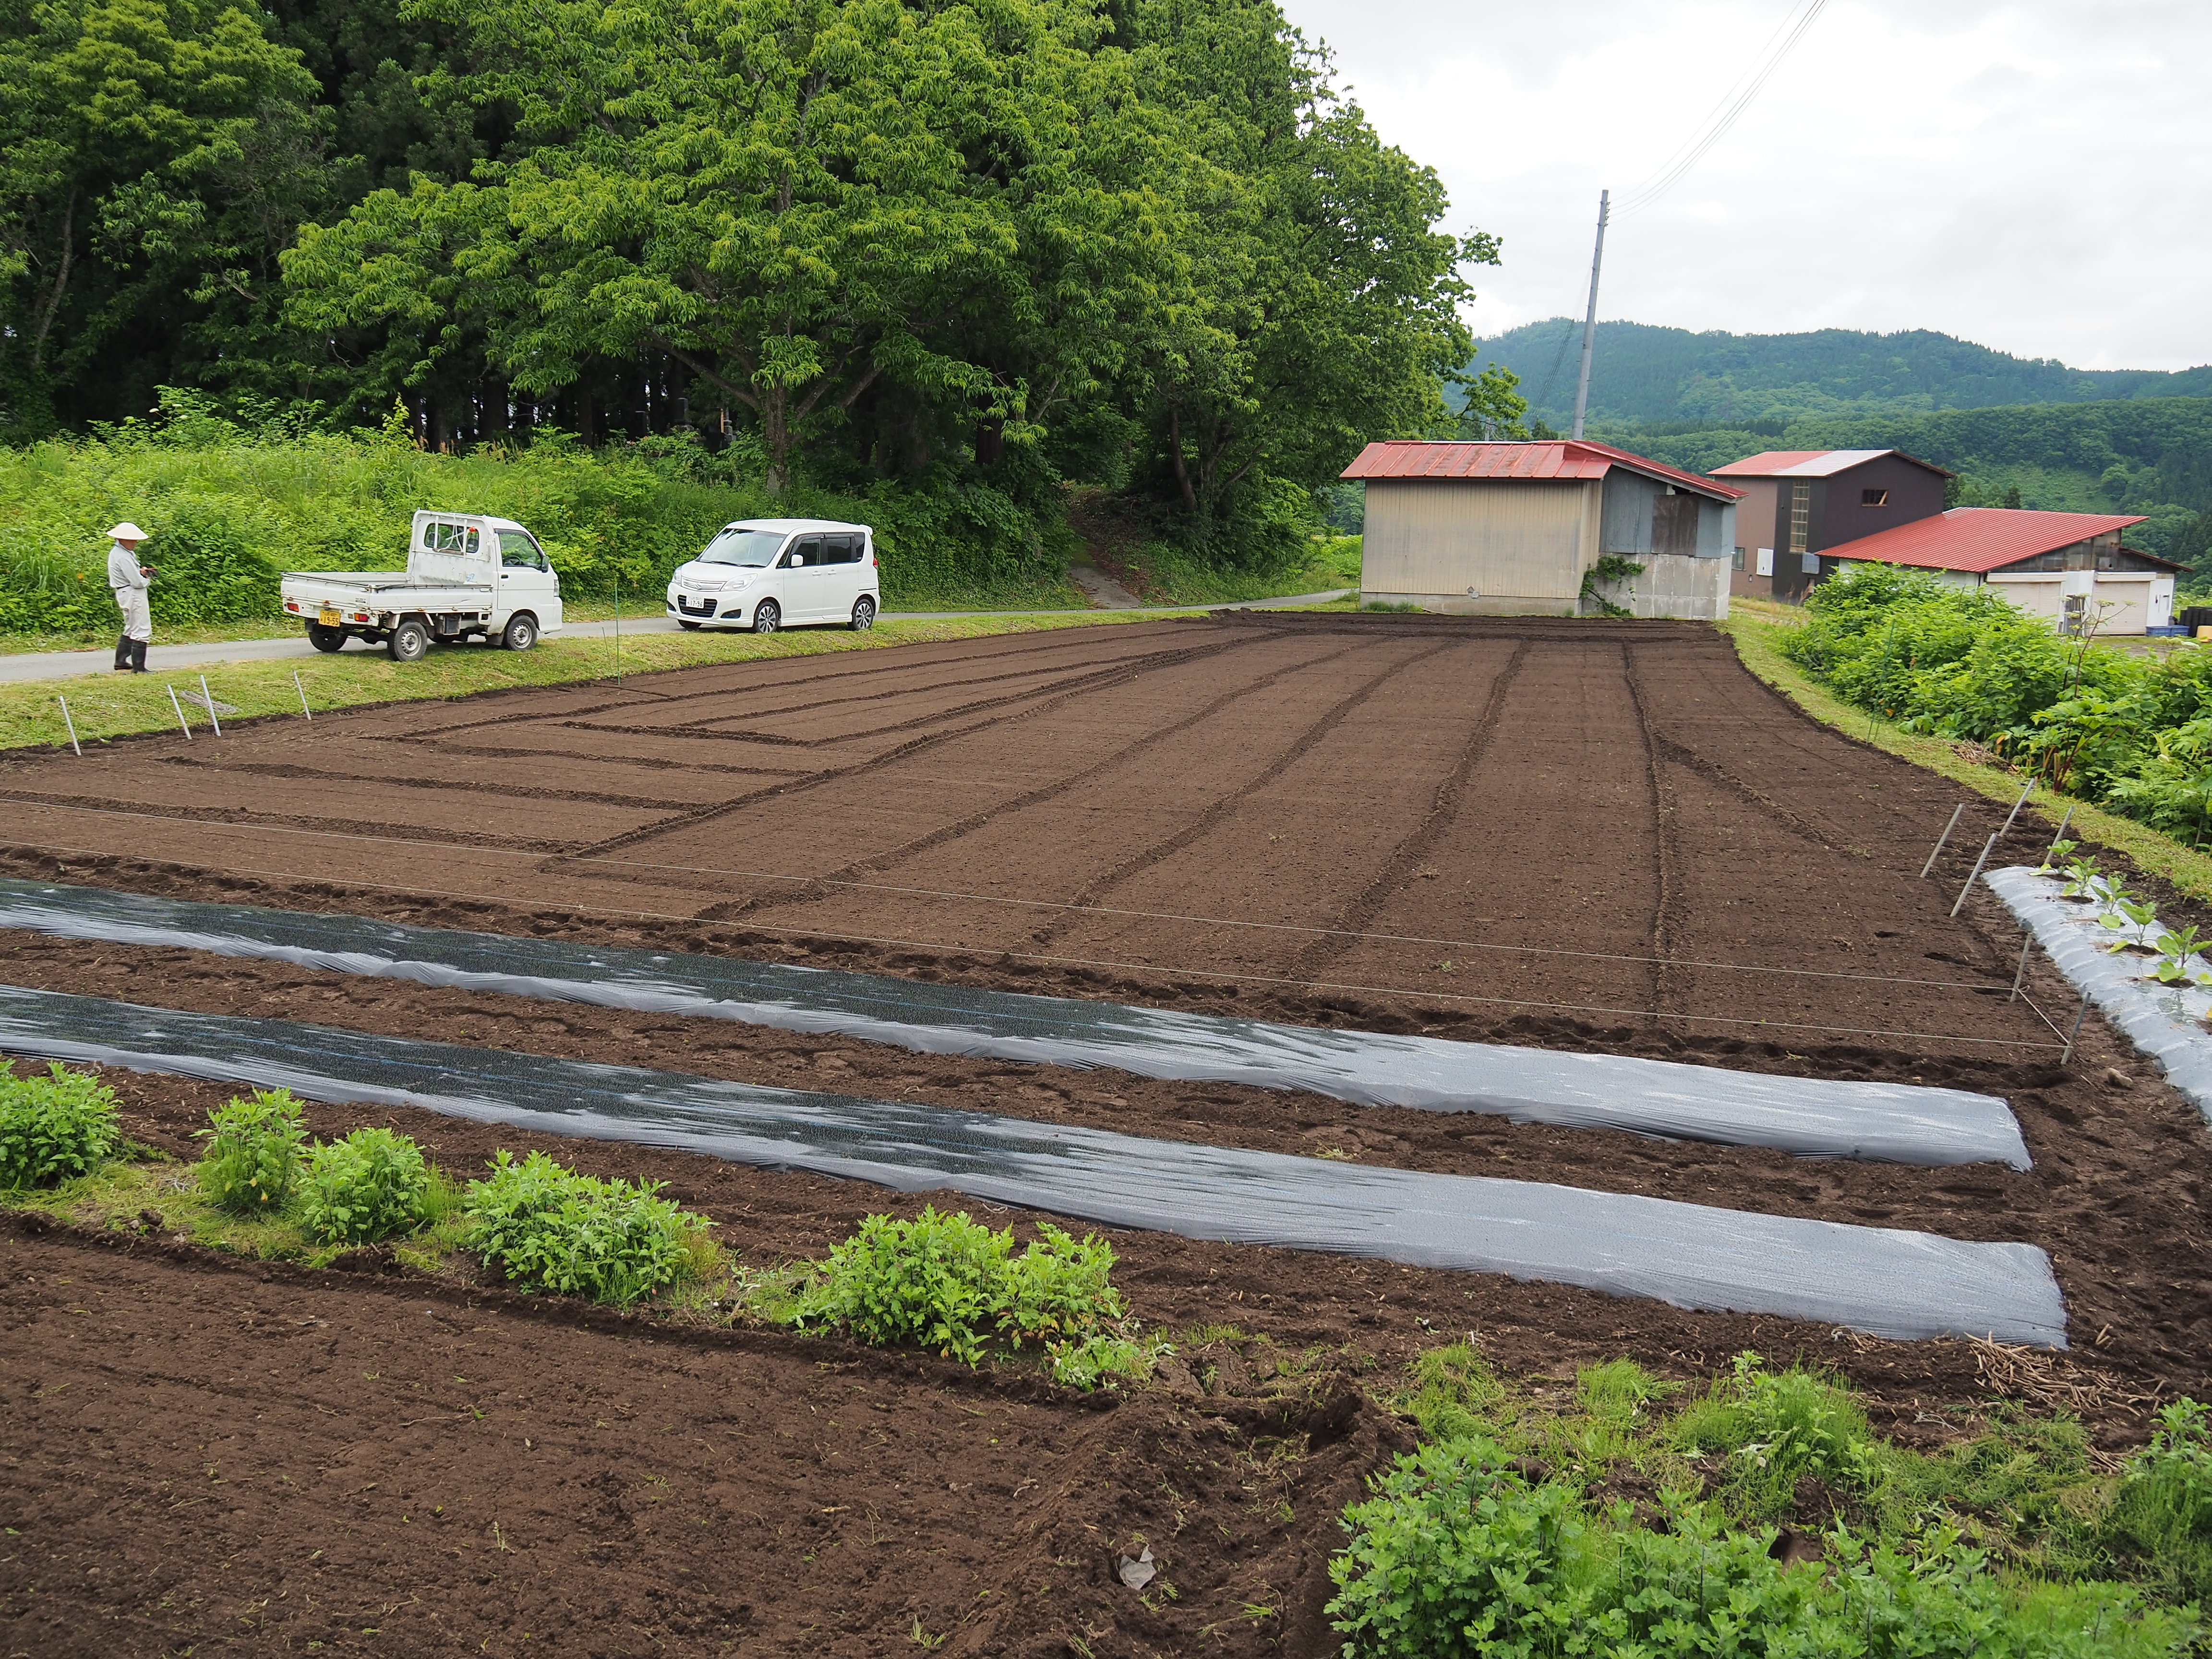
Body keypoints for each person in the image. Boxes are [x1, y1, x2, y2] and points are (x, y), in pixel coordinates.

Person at [106, 522, 152, 673]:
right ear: (122, 539)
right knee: (142, 628)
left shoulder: (119, 553)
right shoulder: (123, 556)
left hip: (125, 592)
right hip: (133, 593)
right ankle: (139, 668)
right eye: (131, 540)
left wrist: (140, 572)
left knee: (131, 626)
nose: (135, 542)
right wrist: (147, 579)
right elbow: (137, 582)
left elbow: (130, 574)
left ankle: (121, 660)